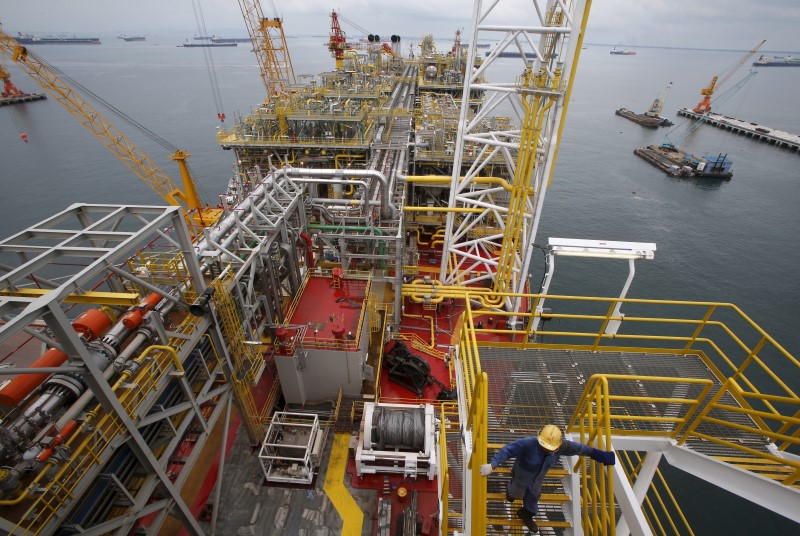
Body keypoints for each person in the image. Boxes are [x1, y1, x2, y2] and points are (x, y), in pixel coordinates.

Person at [479, 424, 615, 534]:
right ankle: (511, 494)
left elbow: (580, 449)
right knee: (514, 492)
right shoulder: (528, 443)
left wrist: (600, 455)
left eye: (549, 448)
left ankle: (526, 514)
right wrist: (493, 465)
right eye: (543, 446)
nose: (545, 449)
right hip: (521, 475)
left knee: (533, 500)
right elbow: (507, 450)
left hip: (536, 481)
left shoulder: (561, 446)